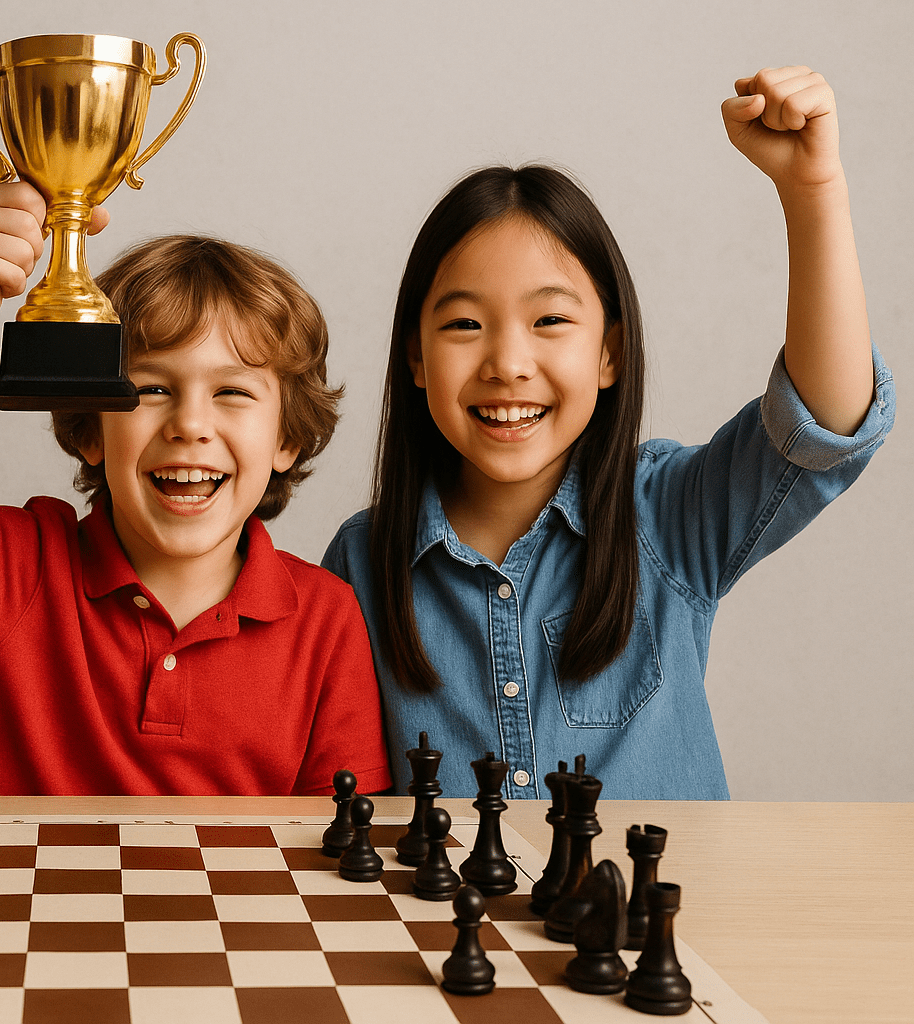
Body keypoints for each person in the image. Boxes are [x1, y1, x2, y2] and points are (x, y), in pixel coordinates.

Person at [323, 67, 895, 799]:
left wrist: (812, 193)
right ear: (415, 357)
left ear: (609, 354)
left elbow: (825, 425)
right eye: (464, 324)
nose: (506, 363)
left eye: (550, 320)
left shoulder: (667, 515)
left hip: (663, 915)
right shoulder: (361, 562)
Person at [0, 183, 389, 796]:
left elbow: (337, 847)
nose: (189, 425)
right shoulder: (19, 569)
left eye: (231, 392)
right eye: (150, 389)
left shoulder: (325, 618)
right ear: (90, 429)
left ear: (287, 439)